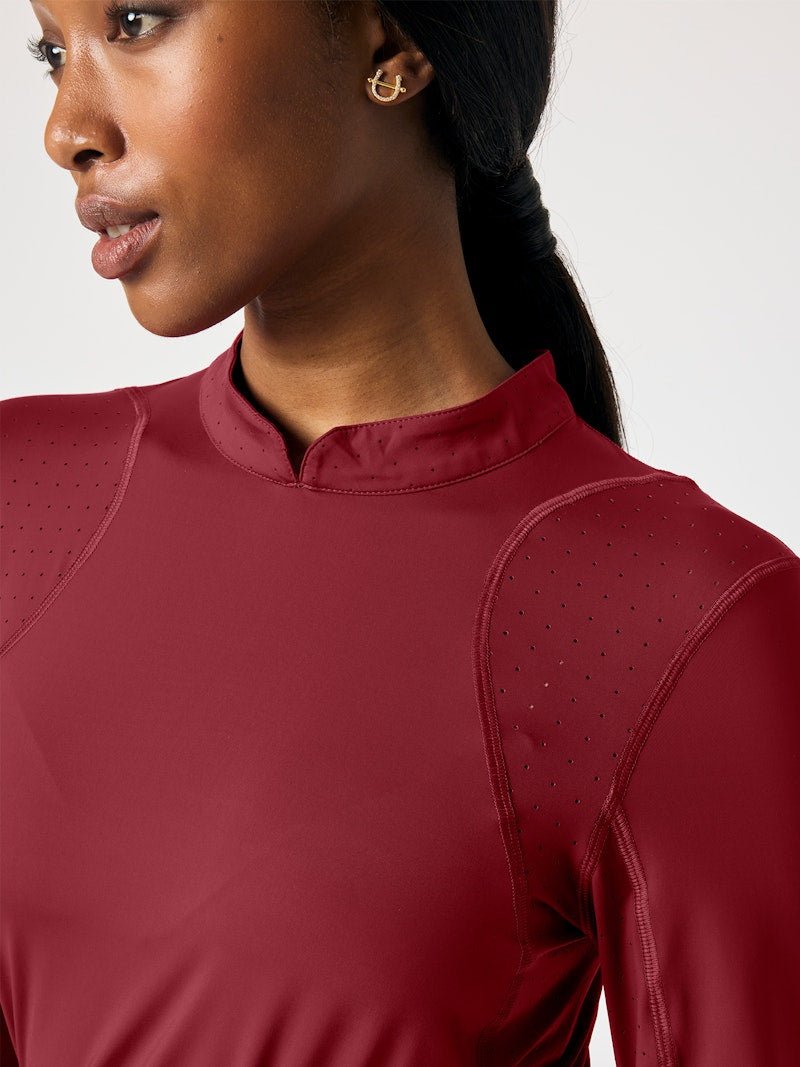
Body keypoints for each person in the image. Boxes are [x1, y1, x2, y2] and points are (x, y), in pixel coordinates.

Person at [2, 2, 798, 1064]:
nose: (66, 129)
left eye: (138, 21)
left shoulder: (673, 614)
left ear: (392, 42)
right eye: (53, 51)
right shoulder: (24, 505)